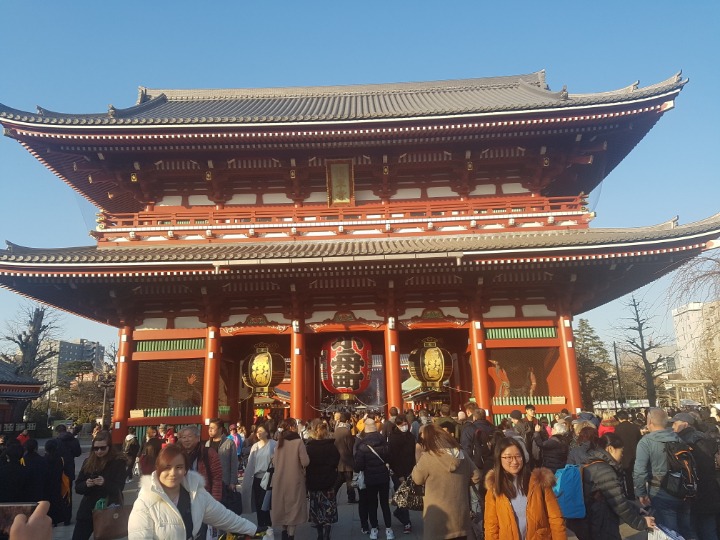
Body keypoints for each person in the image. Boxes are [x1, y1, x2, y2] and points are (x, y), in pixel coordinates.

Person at [128, 444, 257, 539]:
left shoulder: (196, 493)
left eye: (179, 467)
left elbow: (224, 517)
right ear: (158, 468)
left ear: (185, 470)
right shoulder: (145, 502)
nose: (173, 473)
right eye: (167, 467)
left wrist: (253, 530)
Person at [484, 437, 565, 540]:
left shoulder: (539, 481)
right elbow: (491, 526)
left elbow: (556, 518)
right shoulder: (495, 488)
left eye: (518, 456)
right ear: (499, 459)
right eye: (508, 457)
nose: (514, 461)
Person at [411, 422, 481, 540]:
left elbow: (417, 479)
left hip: (437, 518)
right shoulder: (461, 454)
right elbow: (476, 476)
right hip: (460, 517)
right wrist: (461, 482)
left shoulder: (428, 457)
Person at [633, 407, 694, 539]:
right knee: (687, 529)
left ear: (649, 421)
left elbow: (639, 471)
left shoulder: (646, 442)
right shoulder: (678, 438)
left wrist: (641, 493)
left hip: (660, 491)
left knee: (669, 532)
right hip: (683, 489)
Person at [582, 433, 655, 539]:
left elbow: (614, 497)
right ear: (610, 449)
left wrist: (635, 509)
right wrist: (642, 522)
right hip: (601, 523)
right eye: (621, 451)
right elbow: (619, 503)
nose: (622, 455)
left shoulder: (594, 463)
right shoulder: (604, 470)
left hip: (594, 519)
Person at [671, 412, 720, 540]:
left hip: (692, 491)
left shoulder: (682, 441)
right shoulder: (705, 438)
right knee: (709, 528)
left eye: (675, 423)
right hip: (710, 488)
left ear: (685, 424)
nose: (673, 426)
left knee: (693, 529)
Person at [72, 430, 127, 540]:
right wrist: (86, 484)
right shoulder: (88, 462)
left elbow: (119, 488)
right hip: (87, 509)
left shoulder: (118, 462)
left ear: (109, 447)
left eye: (102, 448)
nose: (99, 451)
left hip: (108, 508)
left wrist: (104, 483)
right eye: (96, 448)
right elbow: (78, 487)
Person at [354, 418, 394, 540]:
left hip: (370, 478)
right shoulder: (384, 442)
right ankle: (389, 530)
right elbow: (389, 458)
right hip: (383, 477)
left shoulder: (362, 445)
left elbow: (359, 466)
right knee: (385, 504)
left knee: (372, 504)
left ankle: (374, 529)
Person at [271, 418, 310, 540]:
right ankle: (291, 535)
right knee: (294, 508)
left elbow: (274, 461)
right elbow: (305, 461)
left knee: (282, 507)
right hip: (294, 479)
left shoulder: (279, 442)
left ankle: (284, 532)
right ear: (292, 427)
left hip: (280, 479)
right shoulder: (298, 442)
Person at [306, 421, 341, 540]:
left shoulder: (309, 447)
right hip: (328, 482)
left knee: (316, 509)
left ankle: (319, 534)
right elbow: (336, 461)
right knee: (328, 509)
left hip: (313, 482)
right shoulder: (331, 446)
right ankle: (327, 533)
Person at [240, 424, 276, 536]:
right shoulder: (255, 446)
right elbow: (251, 463)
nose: (258, 433)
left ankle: (268, 525)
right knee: (258, 503)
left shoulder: (273, 444)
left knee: (265, 502)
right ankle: (261, 526)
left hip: (269, 477)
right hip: (256, 478)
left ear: (267, 432)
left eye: (261, 431)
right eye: (257, 431)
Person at [387, 415, 416, 534]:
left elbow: (413, 454)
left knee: (406, 496)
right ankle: (406, 522)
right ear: (397, 425)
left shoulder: (410, 436)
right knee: (403, 496)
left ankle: (399, 512)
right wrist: (399, 475)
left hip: (410, 469)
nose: (404, 426)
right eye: (402, 425)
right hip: (398, 472)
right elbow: (393, 458)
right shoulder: (393, 438)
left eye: (405, 424)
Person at [206, 419, 239, 510]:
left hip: (224, 482)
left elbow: (234, 463)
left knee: (223, 508)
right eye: (209, 428)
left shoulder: (229, 443)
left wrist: (233, 482)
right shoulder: (207, 444)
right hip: (210, 482)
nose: (210, 430)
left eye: (213, 428)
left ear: (220, 429)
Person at [55, 423, 81, 525]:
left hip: (58, 469)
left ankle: (57, 517)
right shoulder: (73, 440)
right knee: (68, 493)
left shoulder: (56, 441)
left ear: (58, 431)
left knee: (57, 492)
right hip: (69, 468)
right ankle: (67, 518)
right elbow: (78, 453)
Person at [613, 410, 642, 499]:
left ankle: (629, 494)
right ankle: (639, 493)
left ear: (619, 418)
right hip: (636, 453)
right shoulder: (634, 427)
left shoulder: (617, 429)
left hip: (624, 454)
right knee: (637, 474)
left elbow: (616, 442)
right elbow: (640, 439)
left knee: (627, 476)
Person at [332, 411, 358, 504]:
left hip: (339, 458)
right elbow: (351, 446)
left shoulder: (336, 430)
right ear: (347, 420)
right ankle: (351, 497)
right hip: (347, 458)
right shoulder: (347, 431)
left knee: (341, 478)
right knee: (348, 479)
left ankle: (333, 494)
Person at [43, 438, 66, 527]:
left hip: (46, 484)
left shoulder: (44, 459)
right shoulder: (60, 459)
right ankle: (56, 520)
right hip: (57, 483)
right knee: (56, 500)